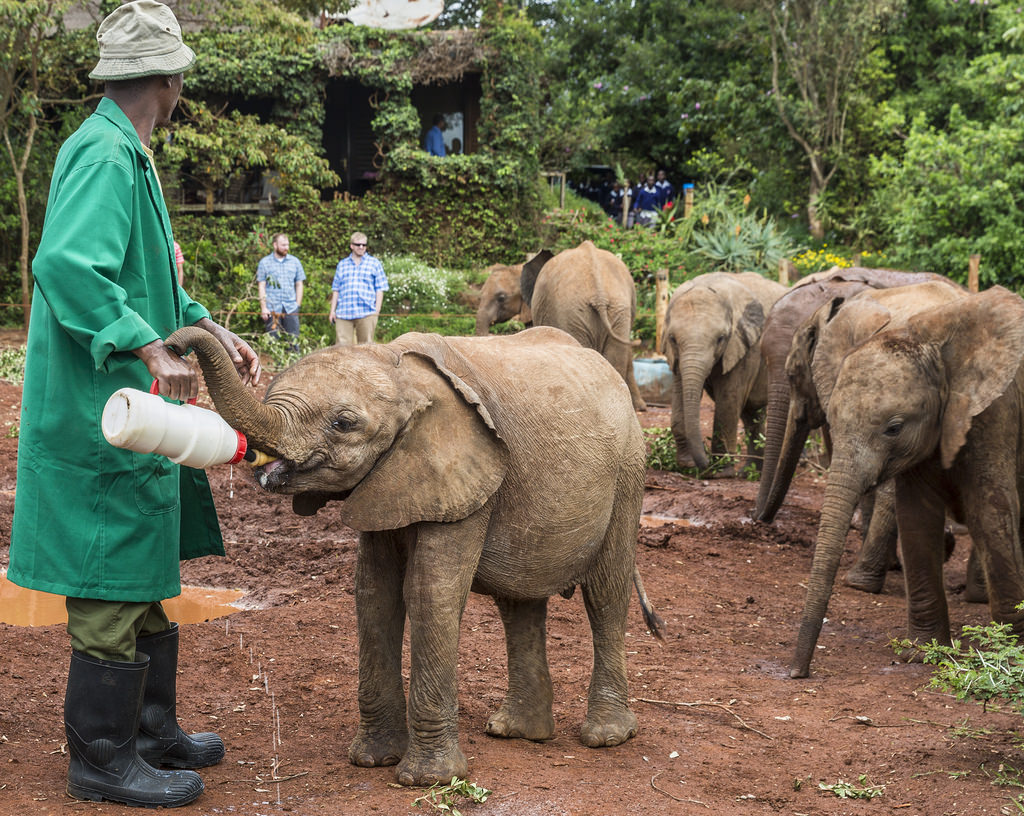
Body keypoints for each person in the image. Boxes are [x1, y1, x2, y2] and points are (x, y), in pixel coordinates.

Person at [6, 1, 261, 808]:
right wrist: (147, 344)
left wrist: (205, 328)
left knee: (145, 566)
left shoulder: (127, 152)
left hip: (123, 399)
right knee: (111, 569)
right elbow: (70, 264)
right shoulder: (107, 156)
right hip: (97, 402)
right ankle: (102, 758)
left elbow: (147, 275)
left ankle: (151, 730)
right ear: (169, 76)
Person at [329, 232, 388, 346]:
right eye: (358, 244)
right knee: (341, 349)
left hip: (367, 312)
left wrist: (377, 310)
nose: (361, 247)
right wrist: (332, 311)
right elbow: (336, 289)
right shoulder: (342, 264)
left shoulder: (374, 263)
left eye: (364, 245)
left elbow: (380, 288)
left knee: (366, 349)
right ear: (352, 246)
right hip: (343, 313)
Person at [256, 232, 305, 350]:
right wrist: (264, 307)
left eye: (287, 245)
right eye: (283, 245)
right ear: (274, 245)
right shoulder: (264, 262)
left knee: (293, 341)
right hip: (272, 308)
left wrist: (297, 304)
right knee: (273, 343)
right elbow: (261, 285)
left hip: (291, 307)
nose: (286, 248)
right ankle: (275, 367)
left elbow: (299, 284)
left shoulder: (295, 262)